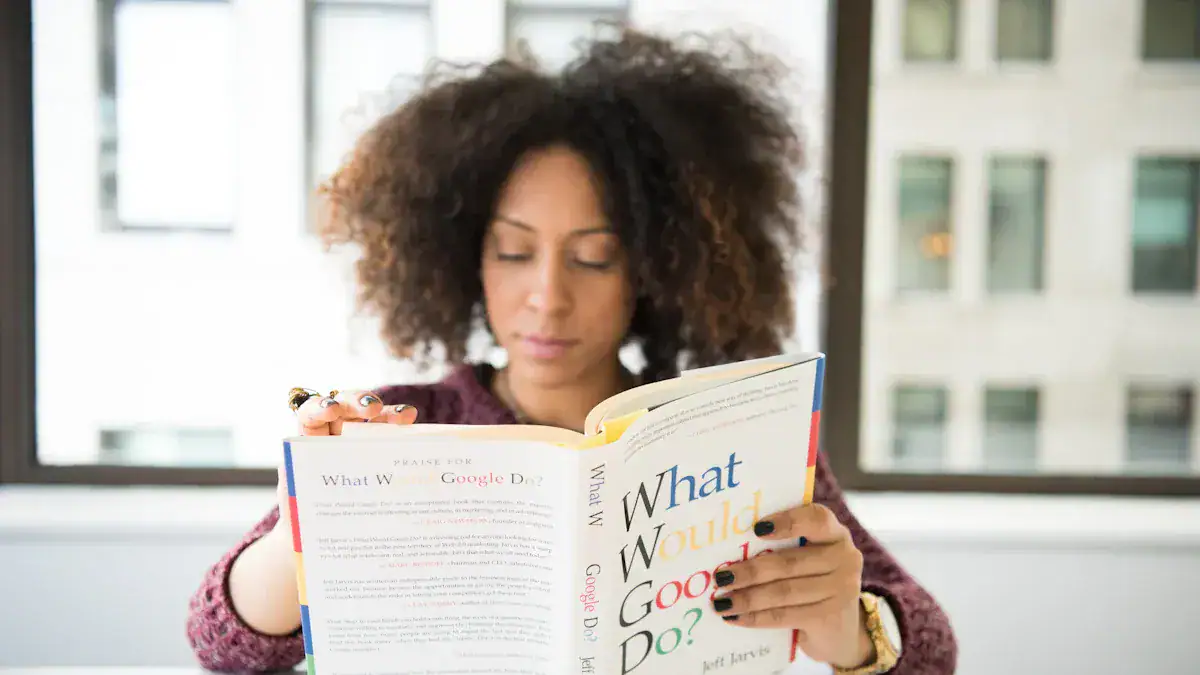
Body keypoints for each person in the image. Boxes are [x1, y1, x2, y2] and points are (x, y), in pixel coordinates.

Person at [186, 27, 957, 674]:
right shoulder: (405, 424)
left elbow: (933, 649)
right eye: (514, 252)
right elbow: (219, 638)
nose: (548, 296)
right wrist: (312, 520)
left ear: (653, 270)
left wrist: (848, 623)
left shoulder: (737, 434)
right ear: (464, 259)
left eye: (593, 257)